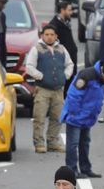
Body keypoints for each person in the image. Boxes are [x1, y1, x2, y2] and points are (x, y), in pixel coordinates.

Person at [61, 60, 104, 179]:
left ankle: (85, 169)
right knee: (73, 144)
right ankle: (71, 170)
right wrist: (75, 114)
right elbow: (74, 95)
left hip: (87, 117)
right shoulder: (86, 76)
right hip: (76, 116)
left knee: (85, 143)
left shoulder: (103, 80)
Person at [24, 23, 74, 154]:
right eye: (47, 35)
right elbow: (29, 66)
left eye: (52, 35)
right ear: (42, 36)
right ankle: (39, 143)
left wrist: (65, 76)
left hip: (58, 90)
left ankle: (52, 142)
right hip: (42, 90)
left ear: (56, 36)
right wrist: (40, 76)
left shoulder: (62, 49)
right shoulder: (37, 49)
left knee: (57, 117)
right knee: (39, 117)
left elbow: (70, 64)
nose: (50, 37)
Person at [46, 0, 79, 70]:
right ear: (62, 10)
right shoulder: (54, 26)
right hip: (63, 65)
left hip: (70, 62)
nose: (71, 12)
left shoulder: (66, 22)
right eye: (69, 10)